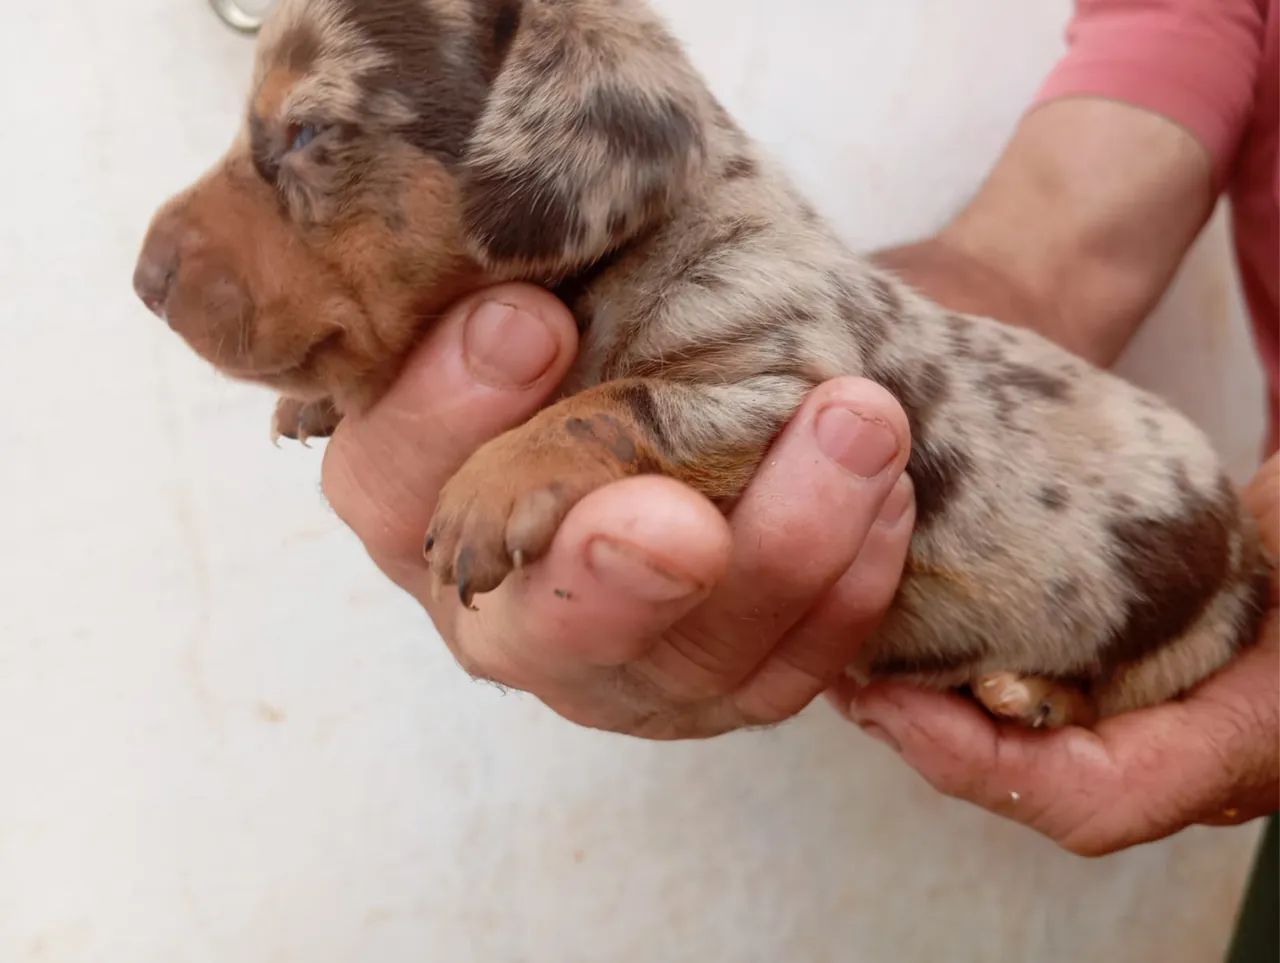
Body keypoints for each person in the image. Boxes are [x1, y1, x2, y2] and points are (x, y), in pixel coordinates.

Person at [320, 0, 1278, 865]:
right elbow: (1073, 219)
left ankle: (1101, 672)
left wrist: (584, 442)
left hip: (1179, 547)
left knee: (1193, 595)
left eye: (315, 146)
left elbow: (750, 408)